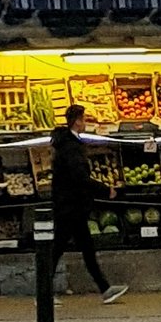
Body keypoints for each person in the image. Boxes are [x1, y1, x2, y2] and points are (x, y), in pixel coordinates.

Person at [48, 101, 128, 303]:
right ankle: (43, 293)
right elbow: (80, 177)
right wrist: (105, 189)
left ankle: (105, 288)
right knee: (59, 249)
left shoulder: (65, 144)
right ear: (76, 122)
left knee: (83, 249)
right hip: (70, 206)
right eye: (83, 119)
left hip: (71, 206)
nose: (85, 123)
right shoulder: (71, 147)